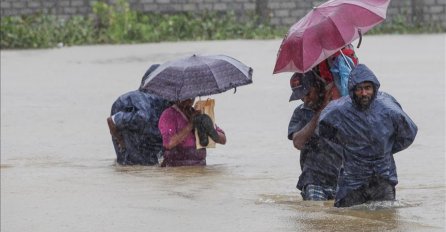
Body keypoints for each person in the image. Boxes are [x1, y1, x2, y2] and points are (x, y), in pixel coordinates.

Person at [317, 64, 418, 207]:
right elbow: (324, 130)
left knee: (385, 221)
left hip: (383, 176)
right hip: (353, 179)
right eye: (359, 89)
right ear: (352, 90)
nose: (364, 93)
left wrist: (386, 149)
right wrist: (348, 145)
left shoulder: (388, 108)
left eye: (367, 88)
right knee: (347, 220)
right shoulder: (338, 110)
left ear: (374, 88)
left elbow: (409, 132)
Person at [287, 71, 342, 201]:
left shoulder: (340, 109)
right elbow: (298, 143)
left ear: (317, 87)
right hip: (313, 179)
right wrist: (321, 111)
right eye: (301, 97)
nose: (305, 100)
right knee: (315, 217)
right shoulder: (300, 113)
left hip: (342, 178)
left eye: (307, 94)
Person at [107, 64, 172, 165]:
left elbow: (112, 120)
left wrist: (121, 141)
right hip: (138, 158)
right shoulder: (147, 104)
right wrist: (121, 141)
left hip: (135, 160)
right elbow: (112, 120)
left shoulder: (162, 103)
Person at [158, 98, 226, 167]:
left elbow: (223, 140)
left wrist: (211, 130)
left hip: (200, 168)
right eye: (186, 96)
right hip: (177, 169)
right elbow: (169, 144)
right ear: (177, 97)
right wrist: (191, 124)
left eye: (192, 96)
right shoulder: (169, 115)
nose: (190, 99)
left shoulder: (198, 113)